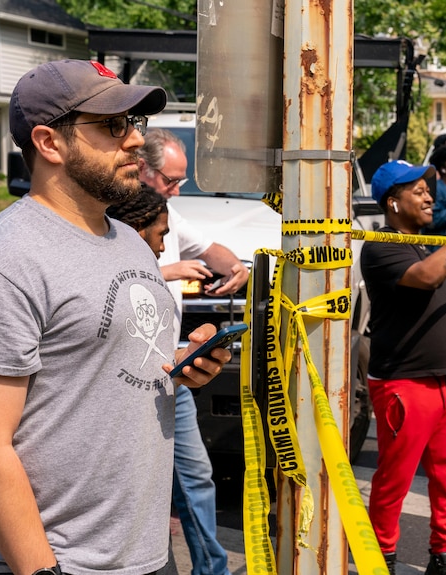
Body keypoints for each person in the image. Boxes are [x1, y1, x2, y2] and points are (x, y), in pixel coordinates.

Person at [0, 59, 229, 575]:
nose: (135, 141)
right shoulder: (2, 260)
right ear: (50, 143)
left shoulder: (127, 240)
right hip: (60, 563)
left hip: (143, 553)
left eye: (133, 124)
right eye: (113, 125)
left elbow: (111, 364)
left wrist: (186, 363)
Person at [361, 159, 446, 575]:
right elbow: (429, 278)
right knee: (393, 481)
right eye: (417, 191)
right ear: (392, 202)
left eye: (427, 189)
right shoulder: (381, 245)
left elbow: (435, 308)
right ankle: (379, 559)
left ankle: (445, 557)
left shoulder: (422, 241)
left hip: (444, 381)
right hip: (403, 382)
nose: (428, 196)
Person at [139, 127, 249, 575]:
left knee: (195, 477)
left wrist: (236, 267)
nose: (178, 189)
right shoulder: (109, 212)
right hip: (119, 376)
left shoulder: (168, 212)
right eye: (171, 180)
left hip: (171, 368)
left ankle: (211, 569)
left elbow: (210, 249)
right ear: (141, 168)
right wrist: (168, 269)